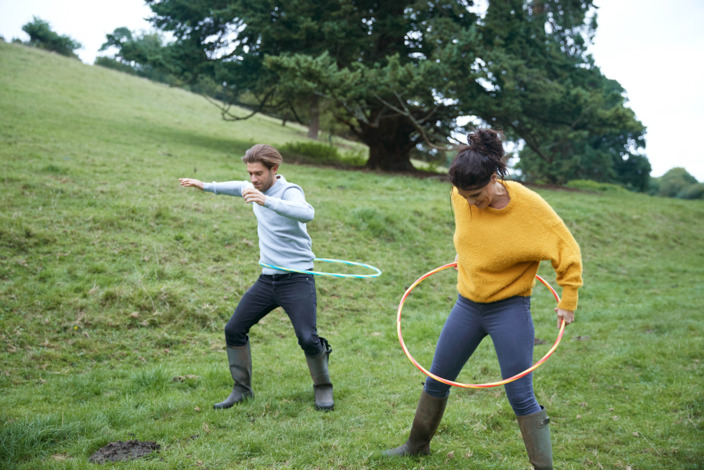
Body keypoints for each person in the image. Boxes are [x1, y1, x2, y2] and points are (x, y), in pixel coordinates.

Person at [383, 129, 582, 469]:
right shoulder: (460, 196)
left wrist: (568, 298)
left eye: (477, 196)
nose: (471, 203)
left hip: (509, 309)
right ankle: (416, 446)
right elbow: (472, 238)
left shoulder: (531, 209)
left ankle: (543, 467)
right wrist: (468, 258)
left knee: (520, 394)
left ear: (493, 177)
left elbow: (568, 251)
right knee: (438, 378)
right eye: (465, 197)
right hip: (467, 306)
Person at [179, 144, 334, 411]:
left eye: (258, 173)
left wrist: (267, 201)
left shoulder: (289, 191)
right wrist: (204, 185)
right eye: (250, 173)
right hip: (268, 280)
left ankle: (323, 388)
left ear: (274, 169)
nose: (253, 179)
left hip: (297, 278)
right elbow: (234, 187)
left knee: (307, 338)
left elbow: (307, 212)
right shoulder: (251, 187)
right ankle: (241, 390)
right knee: (234, 329)